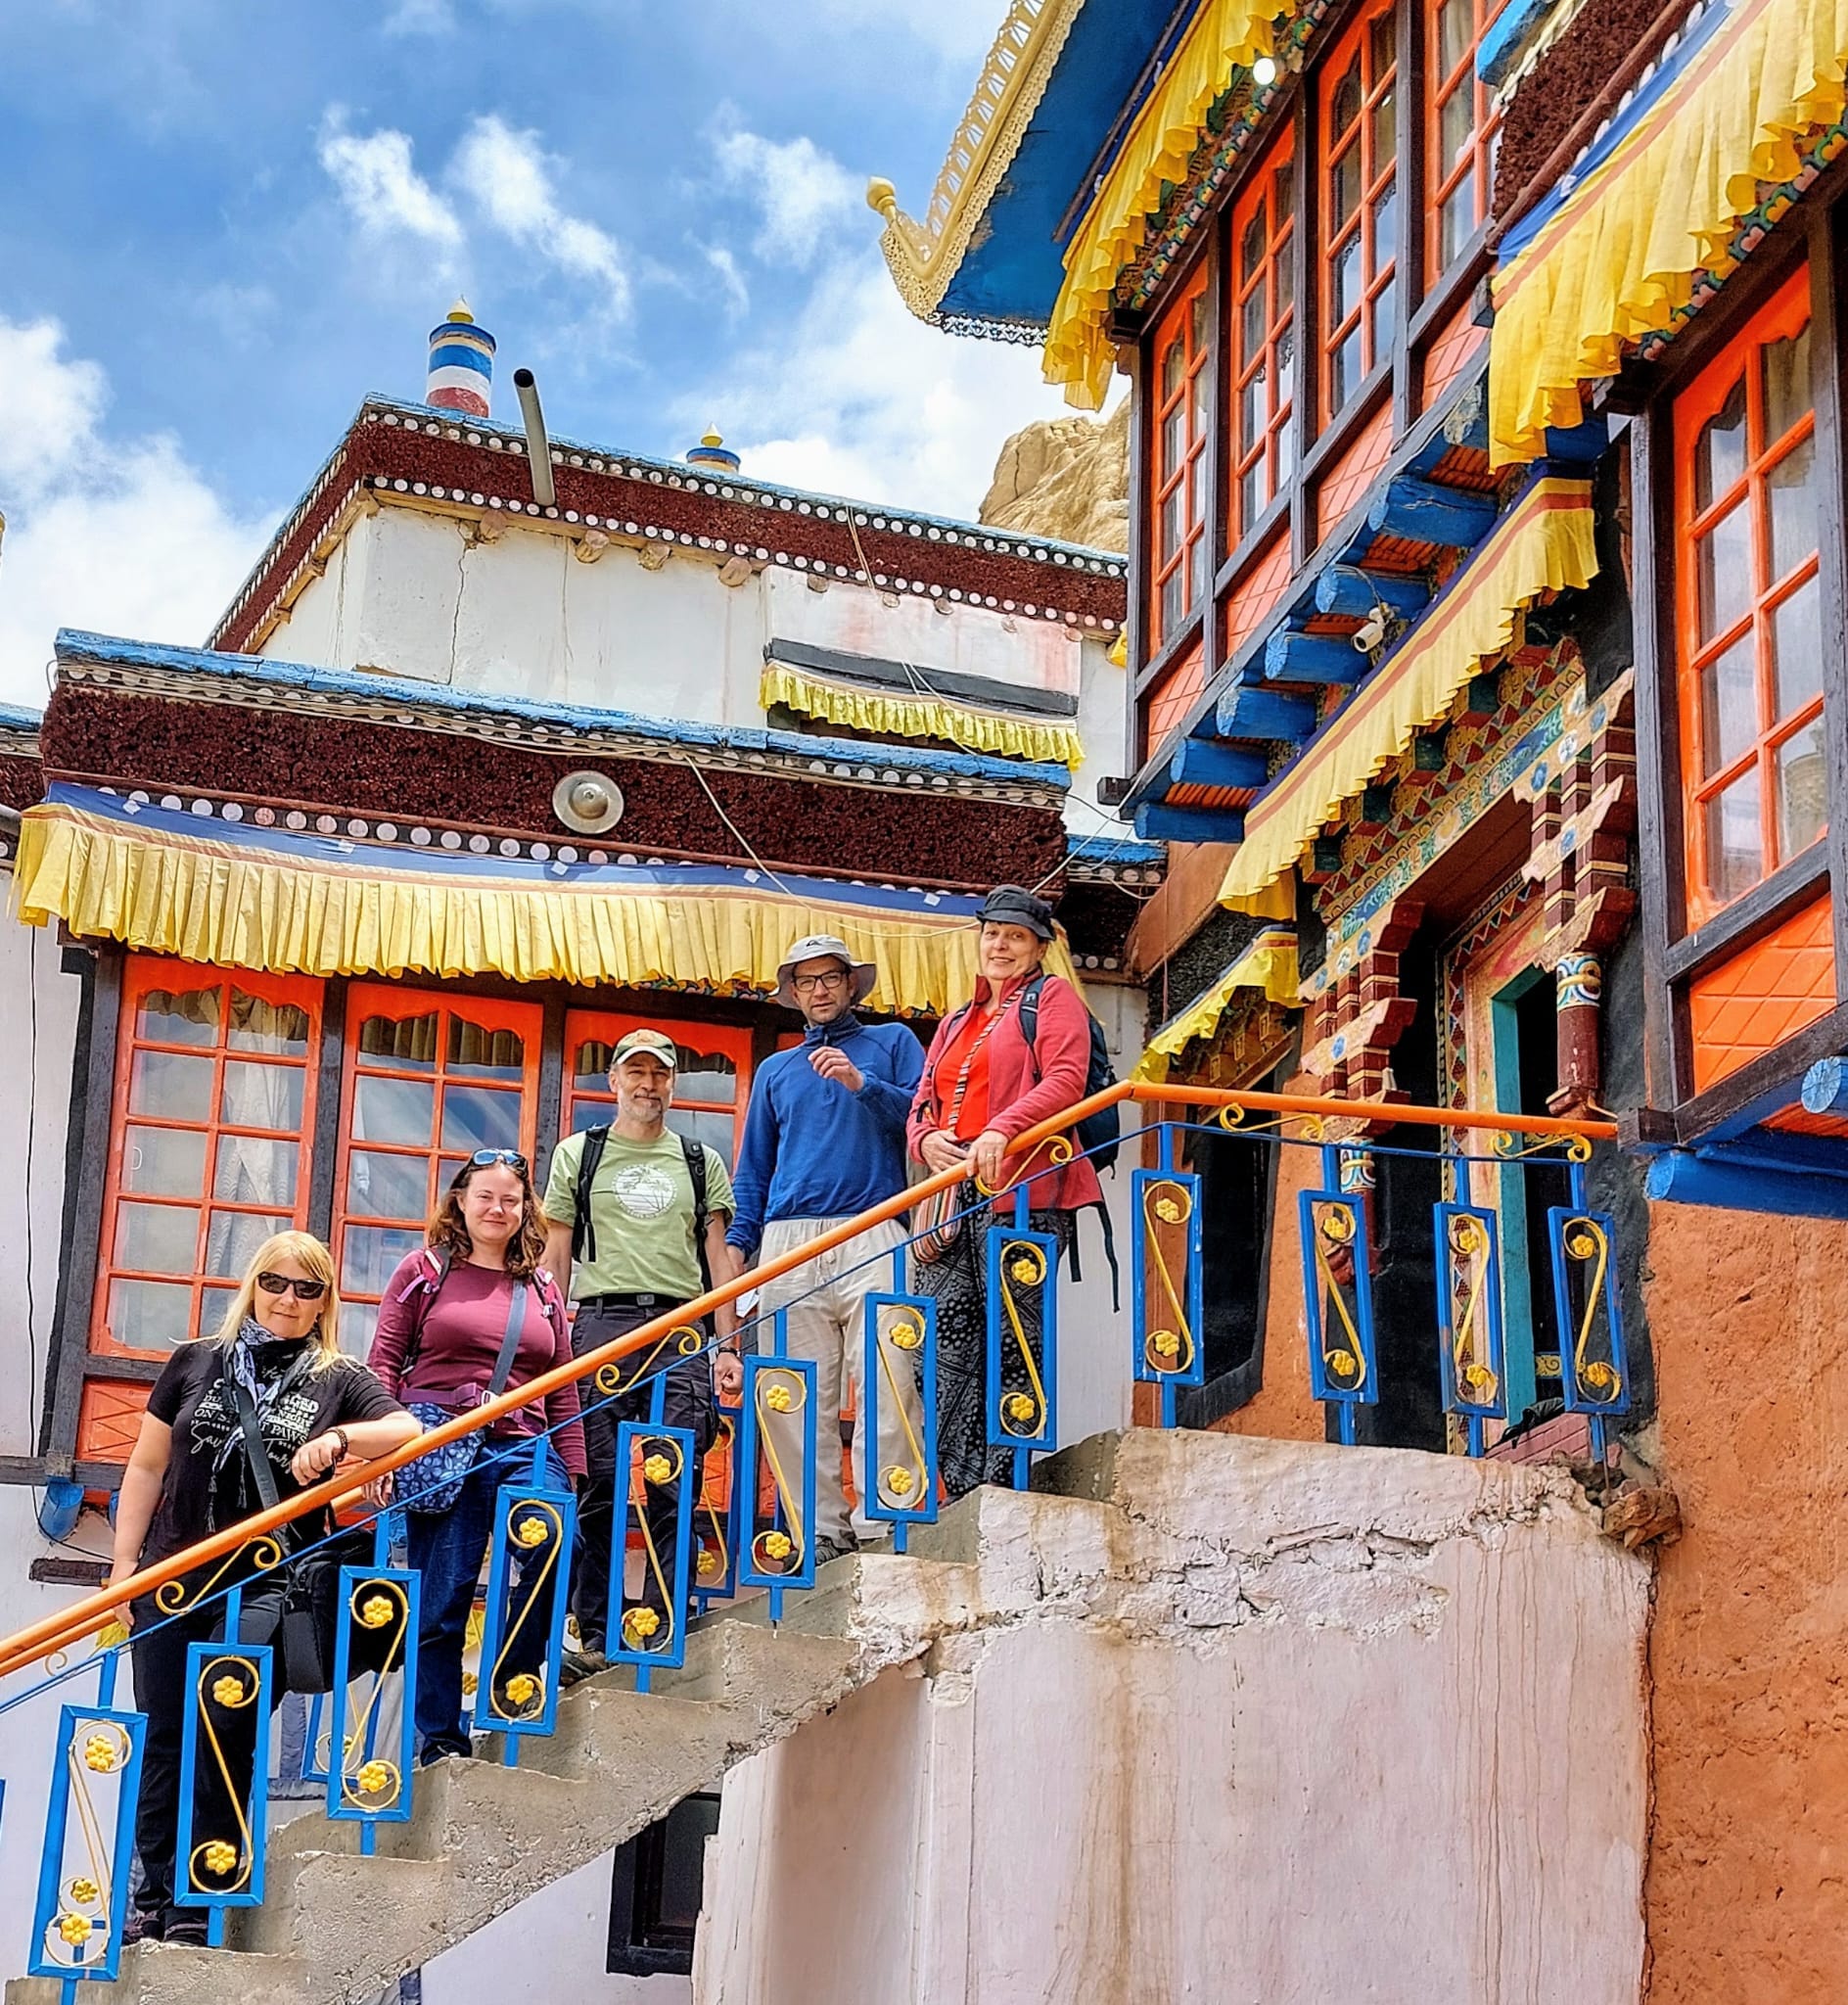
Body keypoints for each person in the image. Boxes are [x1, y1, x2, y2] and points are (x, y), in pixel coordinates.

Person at [107, 1232, 416, 1944]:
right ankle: (151, 1900)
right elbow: (147, 1466)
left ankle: (200, 1903)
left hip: (265, 1586)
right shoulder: (196, 1360)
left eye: (307, 1289)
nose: (287, 1299)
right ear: (253, 1284)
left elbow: (405, 1426)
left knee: (224, 1731)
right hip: (173, 1580)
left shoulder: (337, 1377)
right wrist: (124, 1569)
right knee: (164, 1738)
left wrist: (341, 1442)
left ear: (324, 1303)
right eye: (275, 1282)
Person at [368, 1149, 586, 1764]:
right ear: (460, 1201)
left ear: (524, 1211)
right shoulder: (424, 1270)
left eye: (510, 1200)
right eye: (485, 1197)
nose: (497, 1209)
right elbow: (383, 1362)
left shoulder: (541, 1287)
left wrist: (572, 1466)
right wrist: (380, 1452)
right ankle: (440, 1740)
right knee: (442, 1600)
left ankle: (511, 1677)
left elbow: (562, 1382)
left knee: (556, 1543)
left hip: (523, 1442)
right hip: (441, 1442)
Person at [541, 1028, 741, 1681]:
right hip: (600, 1323)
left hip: (680, 1328)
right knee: (596, 1484)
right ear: (614, 1081)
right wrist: (550, 1343)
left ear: (672, 1084)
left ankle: (661, 1624)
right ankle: (597, 1633)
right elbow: (556, 1254)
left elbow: (718, 1258)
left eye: (659, 1074)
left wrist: (727, 1346)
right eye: (636, 1072)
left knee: (672, 1483)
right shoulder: (580, 1154)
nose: (647, 1085)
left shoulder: (699, 1160)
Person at [728, 934, 926, 1562]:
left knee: (889, 1377)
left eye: (830, 977)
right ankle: (816, 1528)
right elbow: (754, 1168)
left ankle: (886, 1515)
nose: (819, 990)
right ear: (793, 992)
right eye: (807, 981)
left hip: (875, 1223)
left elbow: (923, 1122)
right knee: (790, 1395)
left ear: (850, 984)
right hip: (787, 1239)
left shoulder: (892, 1042)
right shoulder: (775, 1069)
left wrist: (862, 1083)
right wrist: (739, 1245)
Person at [906, 884, 1103, 1498]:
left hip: (1024, 1188)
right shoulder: (954, 1021)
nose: (1000, 945)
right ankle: (965, 1487)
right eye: (992, 933)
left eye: (1015, 936)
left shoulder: (1054, 998)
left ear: (1039, 948)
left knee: (1012, 1337)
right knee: (938, 1344)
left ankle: (1006, 1480)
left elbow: (1067, 1080)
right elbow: (921, 1104)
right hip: (954, 1194)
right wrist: (925, 1141)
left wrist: (1002, 1128)